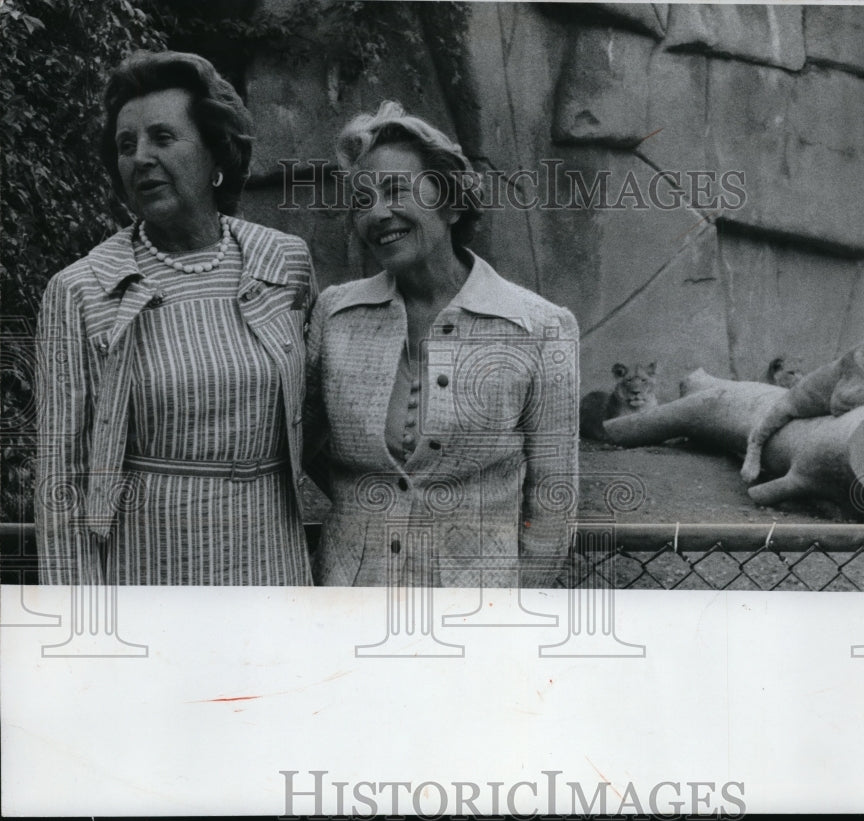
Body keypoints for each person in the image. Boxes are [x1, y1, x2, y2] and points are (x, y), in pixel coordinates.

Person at [35, 50, 315, 585]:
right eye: (126, 145)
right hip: (150, 567)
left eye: (163, 138)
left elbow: (318, 415)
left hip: (272, 561)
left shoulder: (285, 261)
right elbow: (61, 482)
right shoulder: (79, 290)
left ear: (216, 154)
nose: (140, 157)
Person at [305, 101, 579, 588]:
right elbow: (306, 439)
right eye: (362, 200)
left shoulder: (539, 328)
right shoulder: (333, 314)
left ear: (452, 204)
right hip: (351, 600)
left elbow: (553, 496)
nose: (377, 213)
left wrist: (520, 610)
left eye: (395, 191)